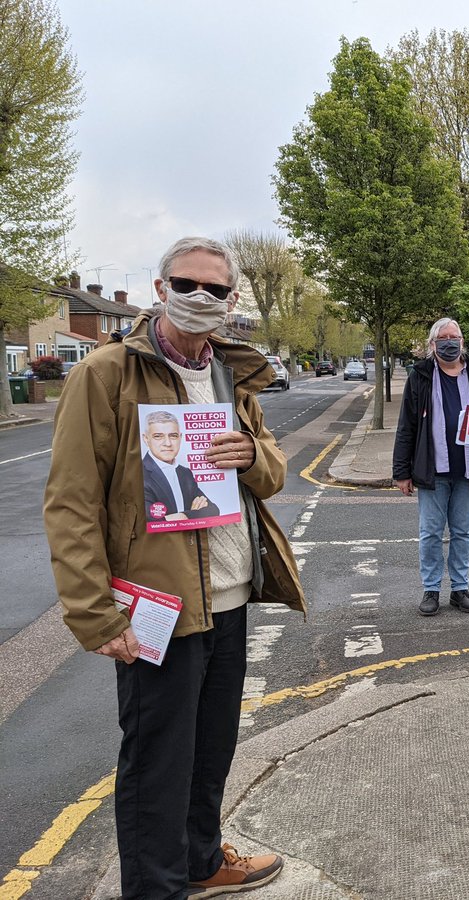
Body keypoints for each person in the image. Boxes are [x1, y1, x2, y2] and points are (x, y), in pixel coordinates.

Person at [43, 236, 307, 898]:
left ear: (231, 299)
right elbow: (72, 501)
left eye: (214, 289)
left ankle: (200, 862)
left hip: (231, 595)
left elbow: (273, 470)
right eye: (186, 284)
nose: (200, 298)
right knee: (157, 760)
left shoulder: (230, 375)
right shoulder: (105, 374)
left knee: (212, 748)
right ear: (160, 289)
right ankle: (155, 888)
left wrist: (252, 455)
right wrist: (94, 613)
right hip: (156, 605)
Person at [393, 318, 469, 616]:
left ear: (462, 342)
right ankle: (431, 590)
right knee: (430, 533)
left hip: (468, 469)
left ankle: (459, 589)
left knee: (463, 532)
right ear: (432, 344)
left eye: (454, 337)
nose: (449, 342)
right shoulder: (421, 377)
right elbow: (406, 426)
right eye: (443, 338)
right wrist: (401, 472)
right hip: (432, 470)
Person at [142, 409, 215, 521]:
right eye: (158, 436)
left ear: (180, 438)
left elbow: (213, 510)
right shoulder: (139, 473)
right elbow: (149, 521)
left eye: (173, 436)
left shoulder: (185, 473)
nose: (168, 443)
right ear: (146, 439)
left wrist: (183, 516)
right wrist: (194, 514)